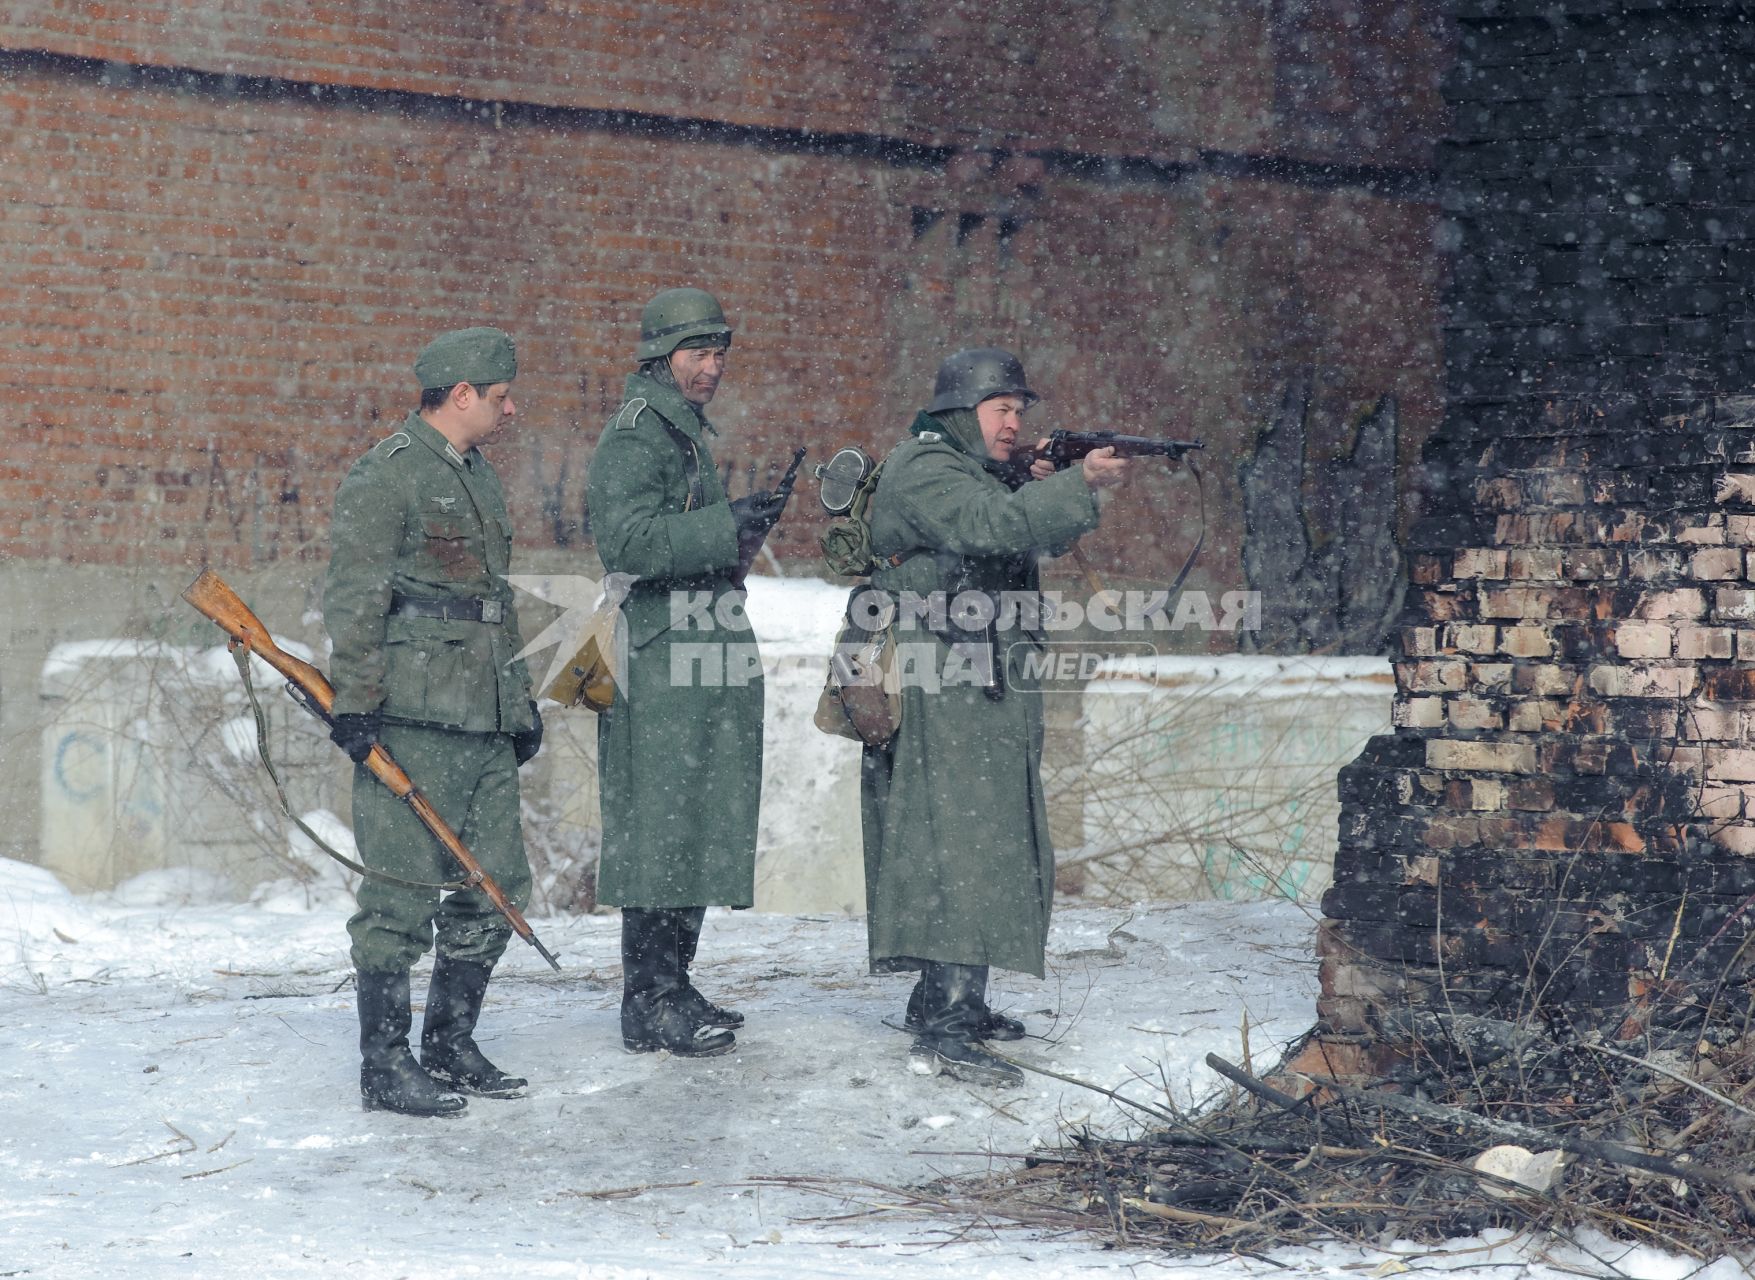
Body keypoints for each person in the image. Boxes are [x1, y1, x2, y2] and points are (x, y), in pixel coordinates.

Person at [859, 347, 1128, 1086]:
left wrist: (1043, 482)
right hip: (944, 676)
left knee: (988, 835)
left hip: (982, 674)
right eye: (1000, 409)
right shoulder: (922, 466)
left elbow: (1025, 528)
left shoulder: (971, 468)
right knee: (962, 842)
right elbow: (985, 526)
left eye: (1019, 410)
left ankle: (947, 1000)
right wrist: (1075, 481)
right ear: (958, 413)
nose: (1014, 423)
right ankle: (946, 1026)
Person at [323, 326, 543, 1116]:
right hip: (411, 715)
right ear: (460, 396)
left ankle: (449, 1043)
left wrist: (517, 707)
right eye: (500, 396)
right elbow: (354, 595)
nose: (510, 408)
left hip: (481, 715)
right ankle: (384, 1065)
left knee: (497, 884)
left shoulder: (477, 476)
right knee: (400, 893)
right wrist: (355, 704)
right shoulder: (387, 476)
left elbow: (496, 603)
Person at [586, 287, 781, 1057]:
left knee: (696, 815)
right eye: (699, 353)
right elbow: (626, 542)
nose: (713, 367)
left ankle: (675, 982)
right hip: (661, 654)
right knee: (660, 824)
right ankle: (650, 998)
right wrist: (721, 527)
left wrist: (736, 530)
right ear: (660, 357)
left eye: (719, 352)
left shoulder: (683, 432)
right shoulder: (637, 435)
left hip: (696, 648)